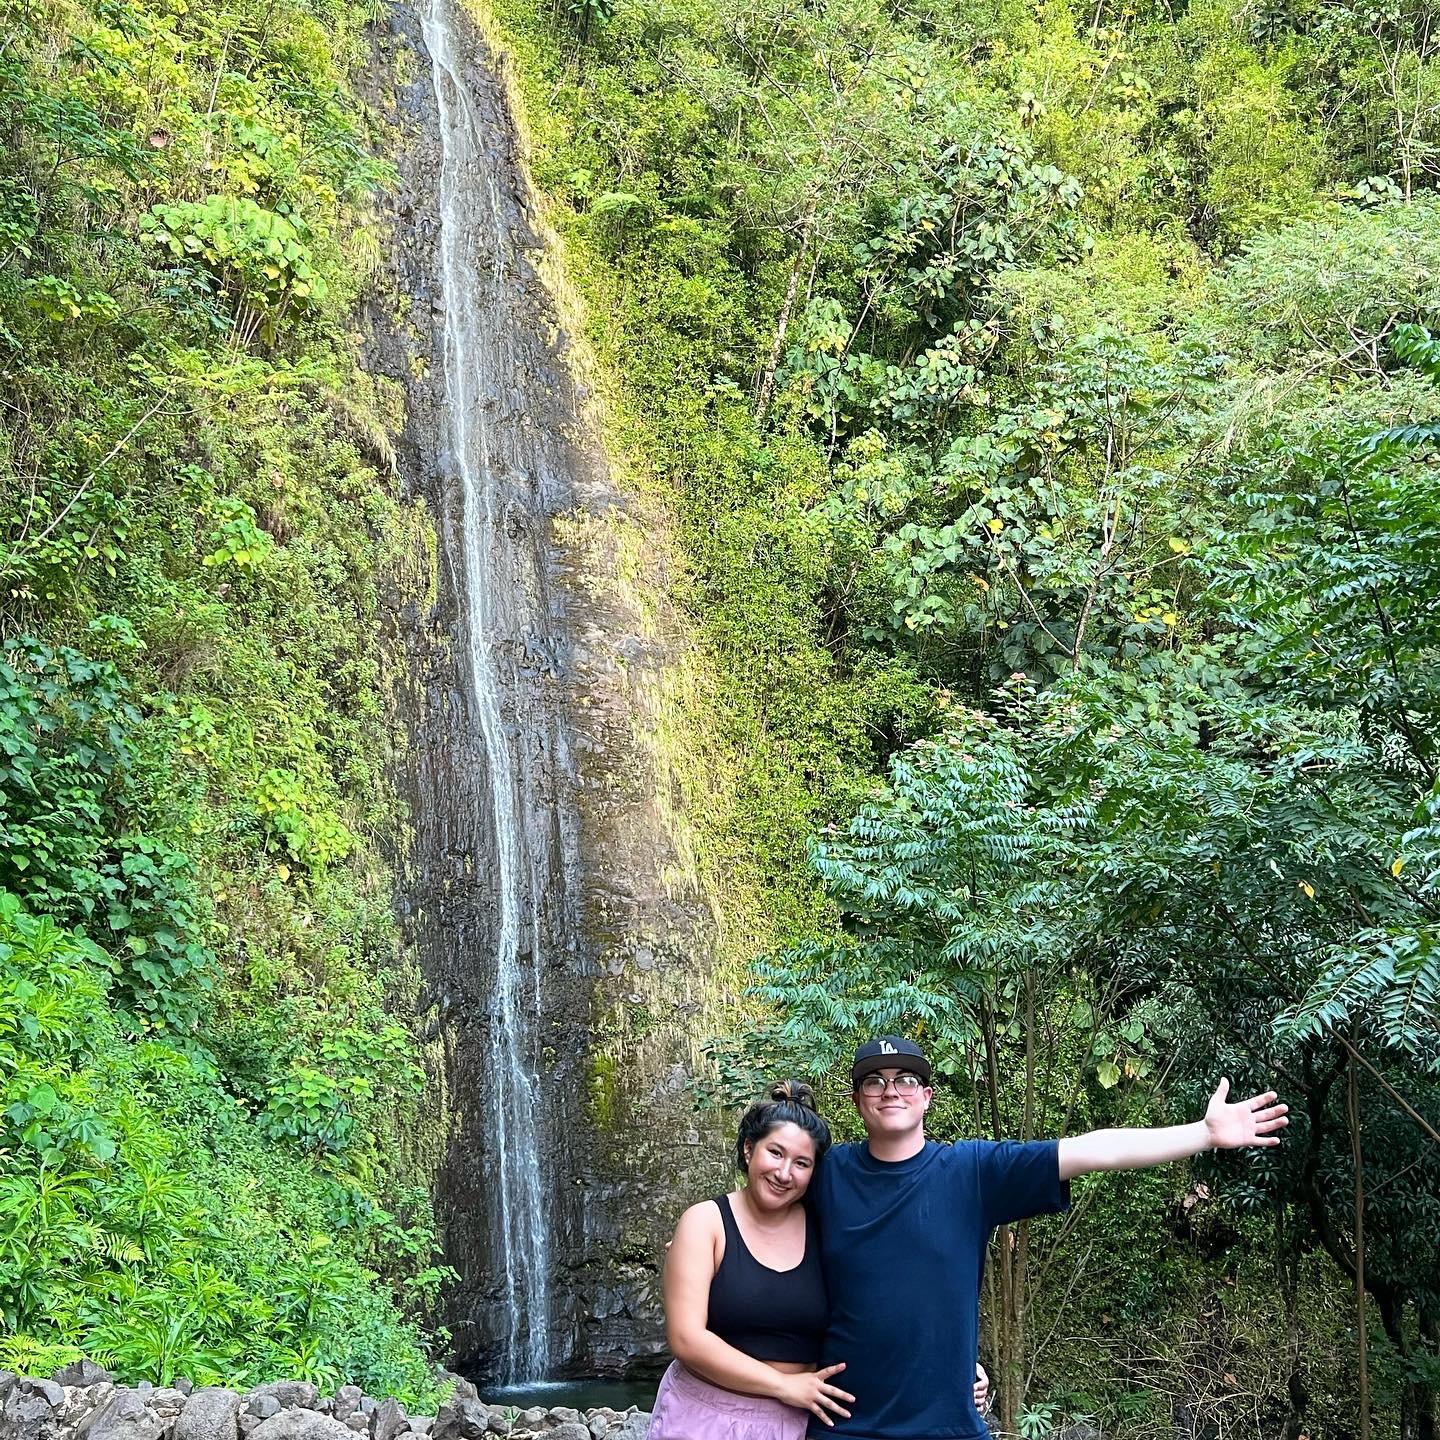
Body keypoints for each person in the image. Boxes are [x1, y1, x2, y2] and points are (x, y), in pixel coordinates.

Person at [810, 1036, 1289, 1440]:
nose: (890, 1091)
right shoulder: (826, 1175)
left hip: (947, 1425)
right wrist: (784, 1378)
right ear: (857, 1099)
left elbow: (1095, 1149)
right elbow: (760, 1261)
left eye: (905, 1079)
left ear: (928, 1096)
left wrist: (1203, 1134)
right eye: (874, 1080)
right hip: (845, 1424)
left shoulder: (971, 1171)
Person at [653, 1079, 853, 1440]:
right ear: (749, 1150)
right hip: (704, 1416)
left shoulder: (826, 1229)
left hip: (799, 1422)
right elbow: (686, 1338)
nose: (784, 1173)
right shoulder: (705, 1223)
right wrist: (782, 1385)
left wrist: (960, 1367)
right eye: (775, 1153)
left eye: (801, 1163)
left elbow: (882, 1294)